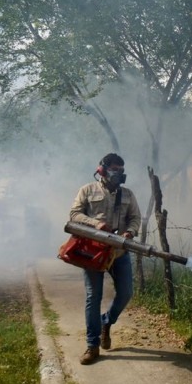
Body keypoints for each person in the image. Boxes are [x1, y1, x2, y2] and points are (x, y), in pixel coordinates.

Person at [69, 152, 142, 365]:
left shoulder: (127, 195)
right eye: (114, 169)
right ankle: (92, 346)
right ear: (102, 169)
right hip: (93, 252)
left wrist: (130, 232)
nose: (118, 173)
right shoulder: (87, 190)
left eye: (121, 170)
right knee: (94, 297)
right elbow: (74, 215)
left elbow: (135, 218)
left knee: (126, 292)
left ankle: (106, 323)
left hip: (118, 251)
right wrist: (95, 224)